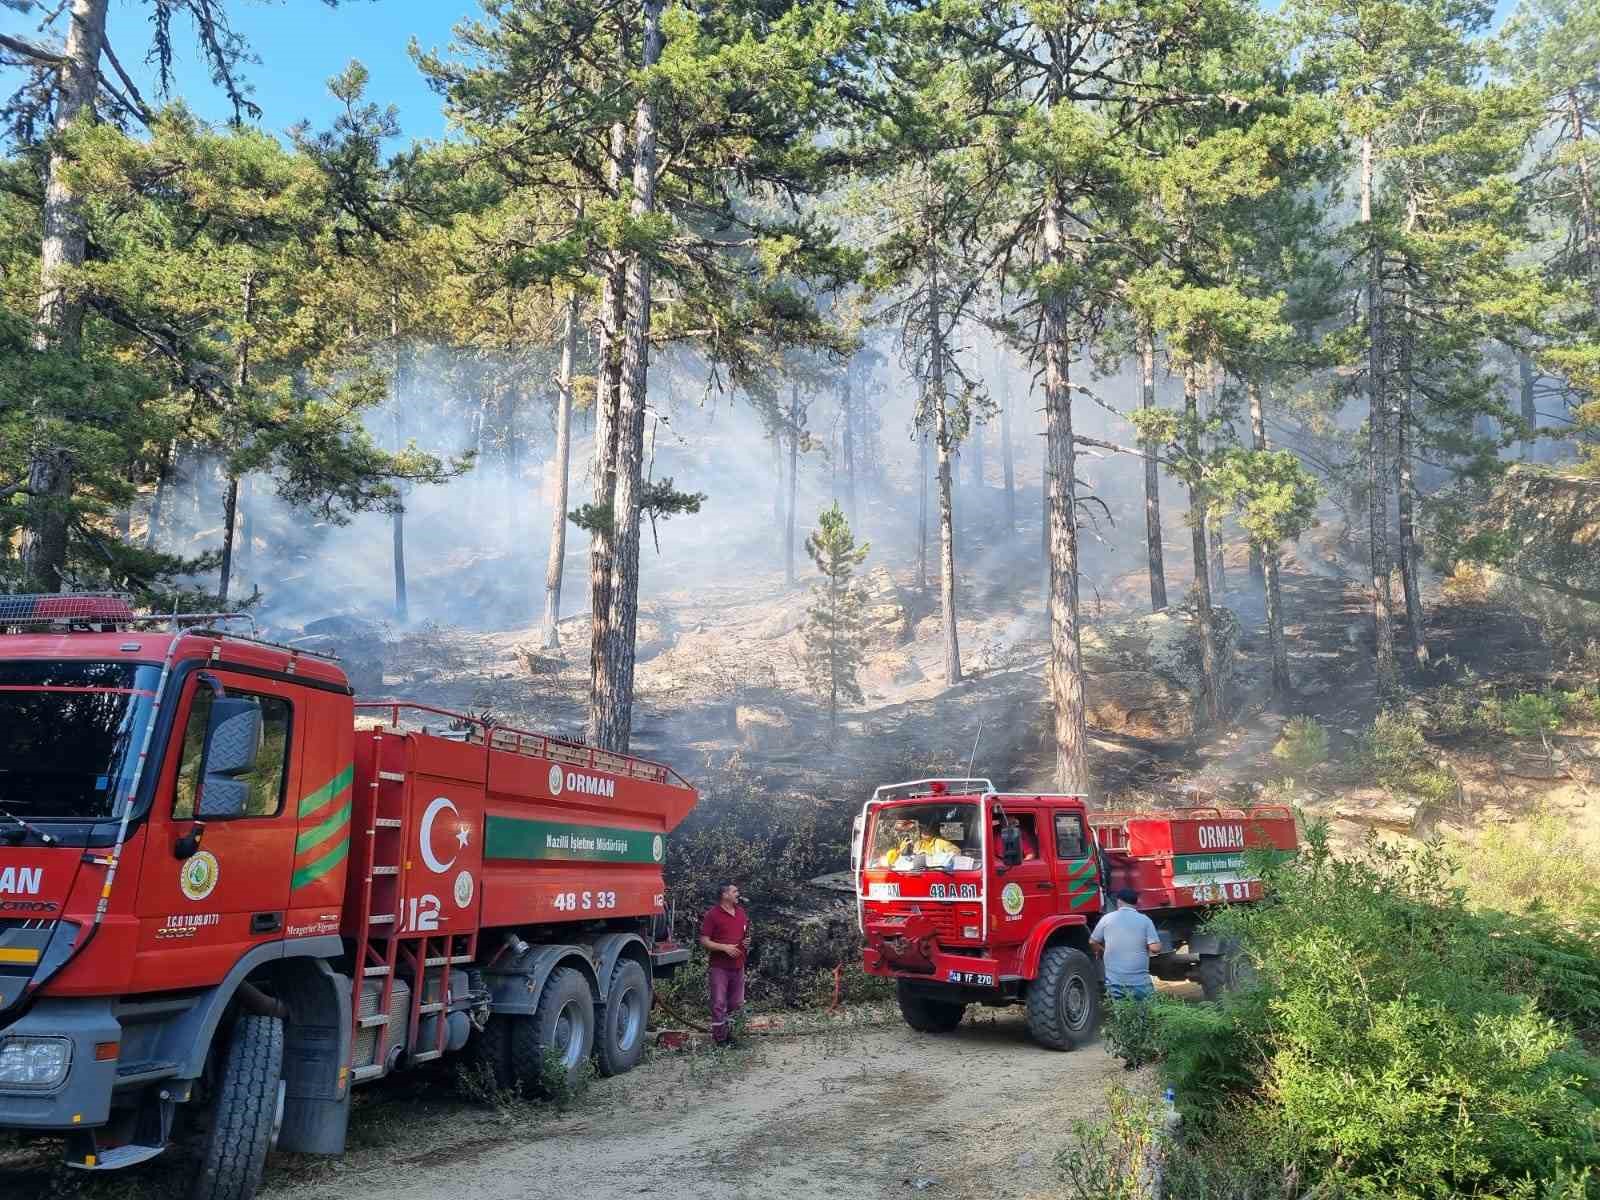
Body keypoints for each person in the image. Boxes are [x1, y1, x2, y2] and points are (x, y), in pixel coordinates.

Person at [699, 882, 751, 1046]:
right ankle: (720, 1039)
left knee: (736, 1003)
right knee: (719, 1003)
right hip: (719, 967)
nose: (738, 893)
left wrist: (746, 942)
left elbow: (744, 934)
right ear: (725, 895)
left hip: (738, 965)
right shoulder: (712, 915)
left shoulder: (741, 913)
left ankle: (731, 1034)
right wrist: (724, 948)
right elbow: (704, 940)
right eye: (735, 891)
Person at [1090, 887, 1162, 1001]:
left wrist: (1103, 951)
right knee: (1145, 1016)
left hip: (1115, 984)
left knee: (1122, 1015)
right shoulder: (1145, 920)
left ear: (1119, 901)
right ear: (1136, 903)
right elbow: (1155, 948)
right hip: (1140, 984)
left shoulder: (1107, 919)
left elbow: (1092, 941)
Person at [879, 818, 960, 867]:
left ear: (933, 831)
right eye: (922, 828)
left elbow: (957, 853)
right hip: (919, 873)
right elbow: (905, 858)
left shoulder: (941, 842)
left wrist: (936, 857)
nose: (925, 831)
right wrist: (902, 851)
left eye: (927, 829)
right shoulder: (918, 843)